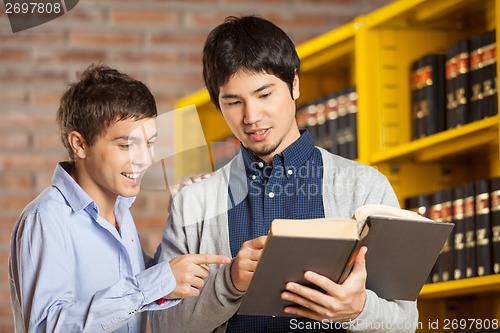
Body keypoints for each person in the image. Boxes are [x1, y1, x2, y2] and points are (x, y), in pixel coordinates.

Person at [151, 15, 418, 333]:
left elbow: (405, 321)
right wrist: (230, 282)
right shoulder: (193, 203)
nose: (251, 117)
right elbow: (163, 325)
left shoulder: (365, 187)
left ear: (294, 84)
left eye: (264, 95)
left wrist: (357, 309)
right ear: (218, 105)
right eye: (234, 102)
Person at [8, 64, 230, 333]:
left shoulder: (120, 211)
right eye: (126, 145)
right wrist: (154, 284)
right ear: (80, 144)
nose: (145, 159)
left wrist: (180, 214)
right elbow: (47, 328)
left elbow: (143, 285)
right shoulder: (46, 219)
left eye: (149, 143)